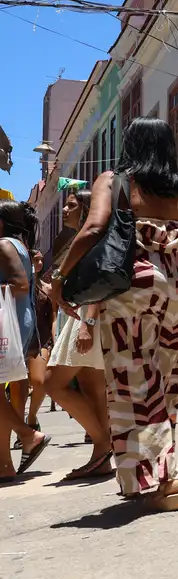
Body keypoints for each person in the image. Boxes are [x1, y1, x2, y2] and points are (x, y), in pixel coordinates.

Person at [50, 117, 178, 510]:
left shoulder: (114, 182)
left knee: (134, 386)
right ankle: (157, 476)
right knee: (165, 385)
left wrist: (59, 276)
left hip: (135, 287)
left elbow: (93, 228)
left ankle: (165, 477)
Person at [44, 188, 115, 480]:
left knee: (52, 383)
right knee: (91, 388)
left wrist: (88, 323)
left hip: (88, 317)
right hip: (85, 317)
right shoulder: (84, 238)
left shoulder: (91, 238)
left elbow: (99, 281)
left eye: (71, 205)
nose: (64, 210)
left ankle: (103, 443)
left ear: (86, 208)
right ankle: (101, 456)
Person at [0, 201, 49, 481]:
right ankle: (4, 464)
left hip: (9, 326)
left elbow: (19, 285)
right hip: (18, 323)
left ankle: (28, 435)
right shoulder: (19, 246)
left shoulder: (4, 245)